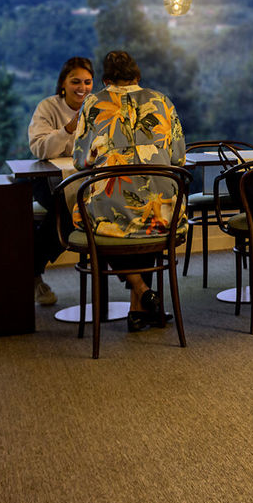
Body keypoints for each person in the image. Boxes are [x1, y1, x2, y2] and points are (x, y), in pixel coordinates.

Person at [72, 50, 186, 333]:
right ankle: (141, 300)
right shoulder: (162, 101)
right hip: (163, 215)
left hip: (111, 209)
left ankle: (142, 294)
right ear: (137, 76)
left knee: (101, 219)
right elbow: (179, 159)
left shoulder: (93, 103)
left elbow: (80, 160)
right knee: (145, 216)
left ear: (106, 80)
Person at [27, 56, 95, 306]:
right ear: (63, 83)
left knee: (97, 207)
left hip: (84, 176)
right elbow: (40, 149)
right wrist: (68, 129)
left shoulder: (96, 108)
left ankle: (31, 271)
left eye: (87, 82)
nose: (82, 87)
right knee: (67, 212)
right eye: (75, 81)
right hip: (48, 177)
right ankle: (32, 274)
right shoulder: (48, 107)